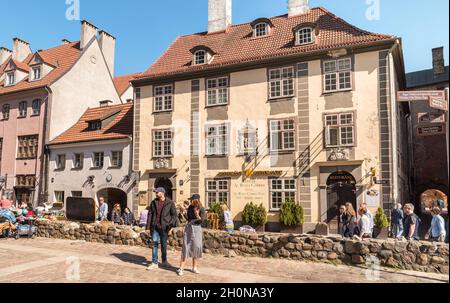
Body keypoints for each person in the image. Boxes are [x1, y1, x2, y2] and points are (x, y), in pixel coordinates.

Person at [146, 187, 177, 270]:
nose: (156, 193)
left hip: (164, 227)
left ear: (162, 193)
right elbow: (150, 214)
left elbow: (174, 215)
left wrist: (170, 224)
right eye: (155, 192)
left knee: (164, 245)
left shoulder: (170, 202)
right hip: (155, 227)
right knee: (155, 244)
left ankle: (164, 261)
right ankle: (154, 262)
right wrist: (148, 226)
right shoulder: (153, 202)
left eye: (157, 192)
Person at [177, 194, 206, 276]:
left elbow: (202, 221)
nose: (190, 201)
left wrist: (197, 215)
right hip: (189, 227)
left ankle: (194, 267)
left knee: (196, 247)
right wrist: (184, 212)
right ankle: (181, 268)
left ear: (196, 200)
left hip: (197, 228)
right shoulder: (190, 207)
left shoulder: (202, 209)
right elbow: (188, 218)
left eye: (191, 200)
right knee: (186, 246)